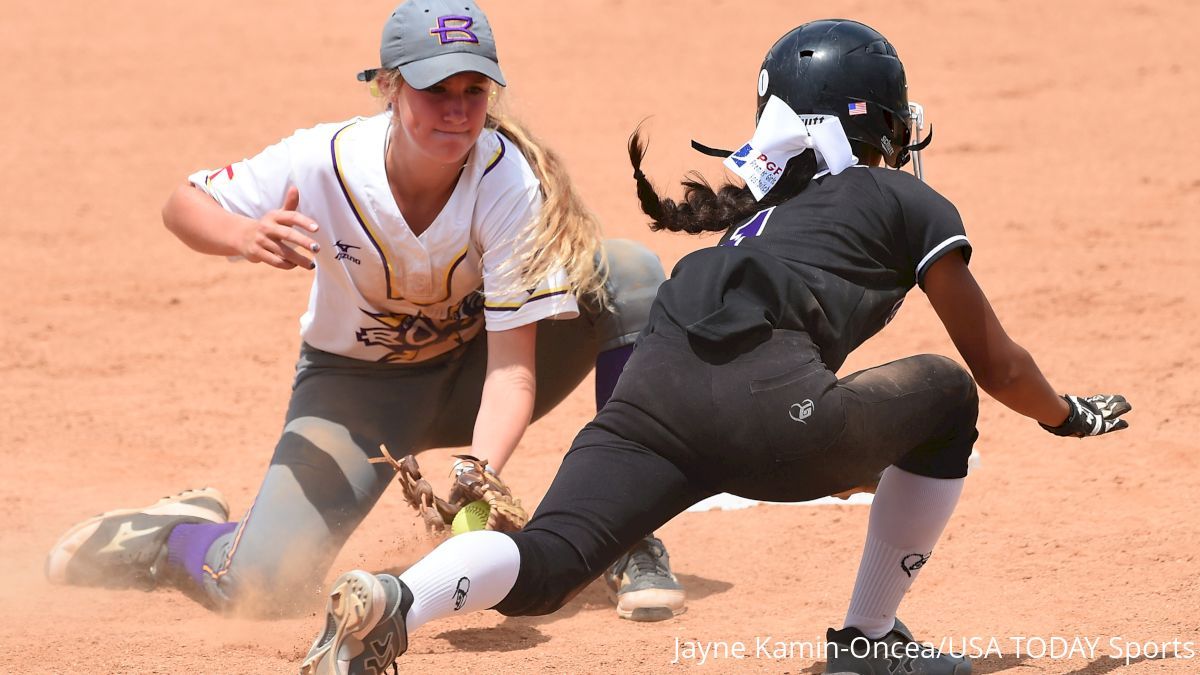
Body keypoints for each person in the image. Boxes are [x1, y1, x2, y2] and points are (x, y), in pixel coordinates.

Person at [296, 18, 1132, 675]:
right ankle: (868, 639)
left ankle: (397, 598)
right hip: (775, 418)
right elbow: (999, 367)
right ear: (877, 120)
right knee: (948, 395)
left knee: (548, 564)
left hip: (653, 398)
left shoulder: (757, 215)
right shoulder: (903, 200)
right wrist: (1065, 416)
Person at [44, 0, 687, 622]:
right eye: (437, 89)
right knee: (262, 588)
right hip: (360, 395)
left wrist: (476, 478)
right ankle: (166, 537)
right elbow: (182, 205)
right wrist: (242, 236)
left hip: (475, 370)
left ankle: (626, 534)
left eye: (475, 90)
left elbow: (513, 371)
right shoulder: (323, 160)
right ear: (388, 85)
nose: (458, 111)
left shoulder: (507, 180)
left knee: (628, 274)